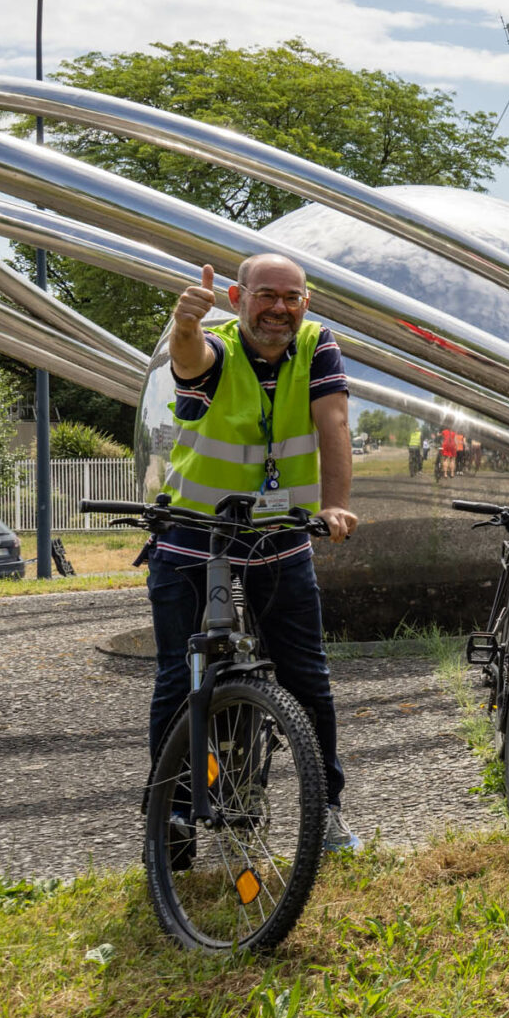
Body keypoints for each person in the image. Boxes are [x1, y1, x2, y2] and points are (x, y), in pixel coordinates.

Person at [151, 255, 363, 855]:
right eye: (265, 294)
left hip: (277, 534)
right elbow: (191, 364)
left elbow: (335, 424)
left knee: (307, 677)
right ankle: (173, 822)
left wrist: (337, 503)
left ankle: (324, 811)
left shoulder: (318, 346)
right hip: (193, 534)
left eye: (291, 297)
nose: (279, 308)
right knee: (180, 675)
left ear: (307, 302)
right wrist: (185, 325)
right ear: (239, 298)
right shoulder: (214, 343)